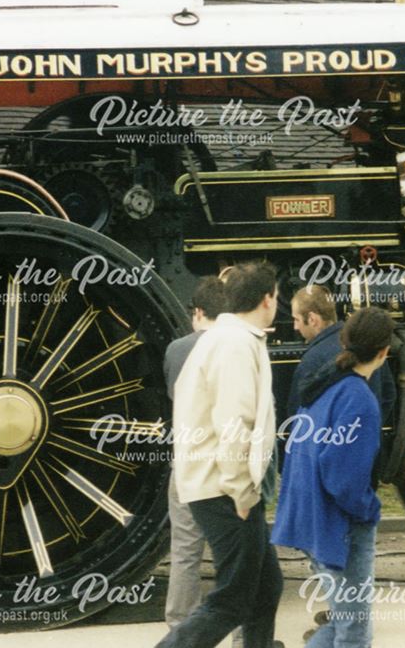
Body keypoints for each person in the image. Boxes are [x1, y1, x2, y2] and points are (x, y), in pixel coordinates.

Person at [157, 262, 283, 648]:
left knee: (266, 587)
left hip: (216, 486)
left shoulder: (230, 337)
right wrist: (241, 492)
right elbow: (234, 423)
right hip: (224, 489)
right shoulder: (236, 344)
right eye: (277, 296)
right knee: (232, 599)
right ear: (267, 299)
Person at [272, 306, 395, 648]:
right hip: (342, 525)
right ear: (385, 352)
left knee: (340, 623)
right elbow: (343, 479)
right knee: (354, 633)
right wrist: (369, 509)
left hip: (310, 517)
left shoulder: (325, 385)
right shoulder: (360, 399)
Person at [162, 276, 240, 648]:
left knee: (185, 550)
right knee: (236, 553)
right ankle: (242, 631)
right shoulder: (236, 347)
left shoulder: (176, 349)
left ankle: (181, 628)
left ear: (197, 312)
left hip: (187, 461)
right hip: (224, 463)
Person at [288, 285, 396, 440]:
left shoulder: (312, 360)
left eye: (296, 319)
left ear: (312, 319)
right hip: (369, 446)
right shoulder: (365, 341)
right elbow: (388, 394)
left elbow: (297, 416)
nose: (295, 326)